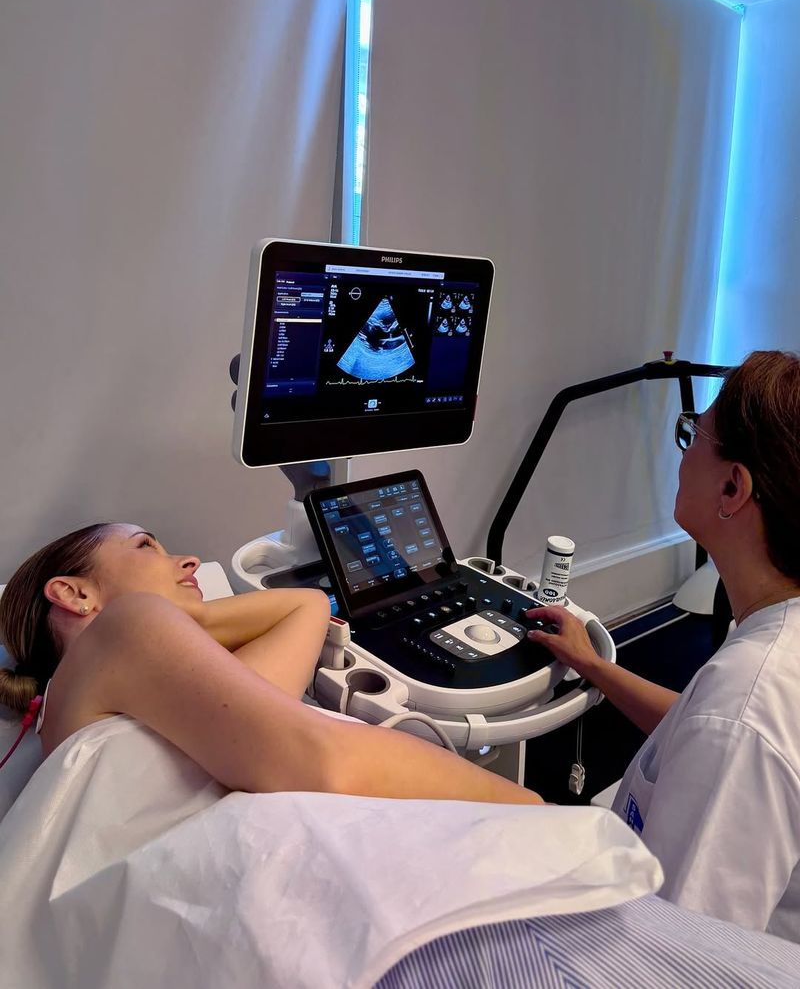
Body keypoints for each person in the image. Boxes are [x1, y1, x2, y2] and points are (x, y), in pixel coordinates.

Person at [525, 349, 800, 941]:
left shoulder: (748, 705)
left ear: (733, 486)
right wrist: (593, 665)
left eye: (693, 434)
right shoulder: (771, 649)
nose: (683, 452)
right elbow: (695, 726)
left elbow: (680, 954)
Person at [0, 522, 543, 806]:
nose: (189, 561)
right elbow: (323, 758)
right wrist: (527, 806)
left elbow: (307, 607)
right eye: (146, 546)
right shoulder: (123, 626)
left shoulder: (114, 709)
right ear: (74, 593)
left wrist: (194, 619)